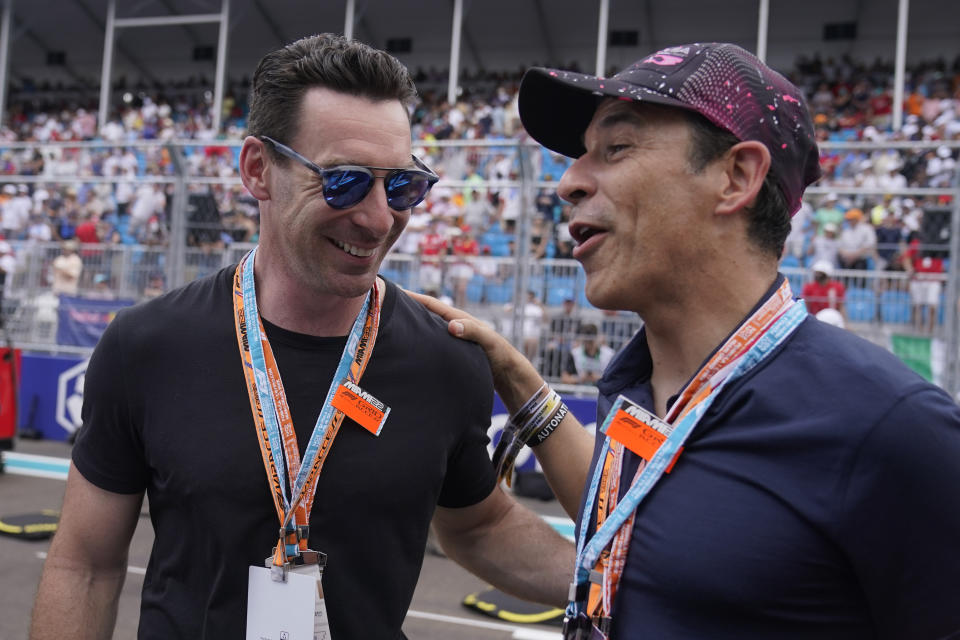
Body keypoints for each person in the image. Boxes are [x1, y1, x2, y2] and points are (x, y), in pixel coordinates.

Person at [31, 34, 572, 640]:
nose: (376, 218)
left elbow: (478, 525)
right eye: (342, 181)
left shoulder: (445, 359)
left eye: (402, 186)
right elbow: (85, 566)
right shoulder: (147, 345)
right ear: (258, 171)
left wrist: (626, 584)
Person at [414, 42, 960, 639]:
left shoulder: (892, 430)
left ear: (736, 177)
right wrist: (513, 380)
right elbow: (634, 548)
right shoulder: (639, 389)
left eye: (616, 148)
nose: (567, 180)